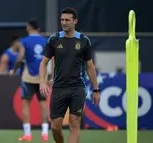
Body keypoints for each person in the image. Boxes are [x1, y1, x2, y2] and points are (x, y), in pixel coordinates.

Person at [39, 7, 100, 143]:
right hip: (59, 88)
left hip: (77, 88)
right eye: (62, 20)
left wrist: (96, 90)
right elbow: (43, 63)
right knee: (55, 127)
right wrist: (42, 81)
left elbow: (90, 67)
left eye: (67, 20)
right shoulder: (54, 39)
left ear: (75, 21)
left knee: (74, 123)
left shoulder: (84, 41)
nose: (64, 22)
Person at [10, 19, 49, 141]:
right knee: (43, 105)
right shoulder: (45, 41)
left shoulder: (24, 41)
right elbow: (51, 59)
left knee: (26, 104)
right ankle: (45, 134)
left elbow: (20, 57)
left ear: (29, 27)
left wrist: (14, 69)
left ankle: (27, 134)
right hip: (42, 77)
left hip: (28, 77)